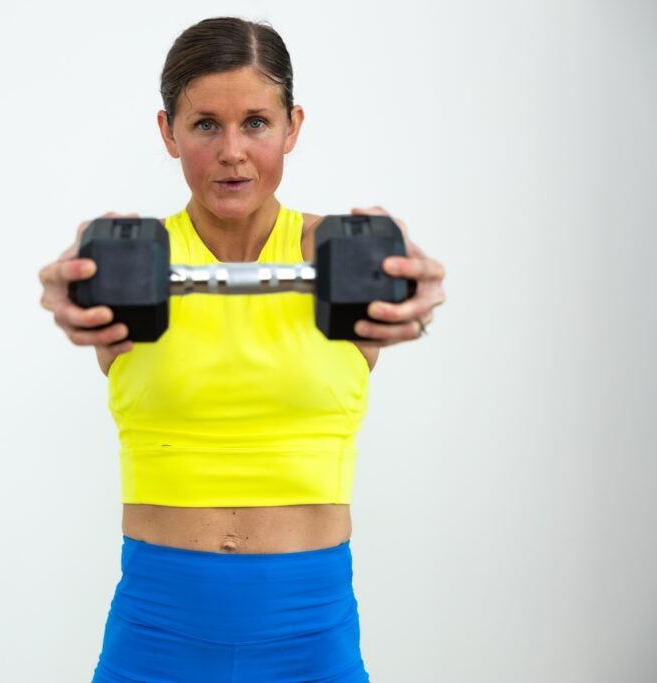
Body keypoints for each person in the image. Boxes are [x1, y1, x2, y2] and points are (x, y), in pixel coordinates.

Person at [39, 16, 446, 682]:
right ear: (168, 131)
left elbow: (405, 301)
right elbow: (72, 290)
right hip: (156, 633)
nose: (232, 150)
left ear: (293, 126)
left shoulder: (342, 257)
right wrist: (69, 292)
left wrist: (417, 302)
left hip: (310, 637)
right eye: (205, 125)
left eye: (256, 122)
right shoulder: (128, 266)